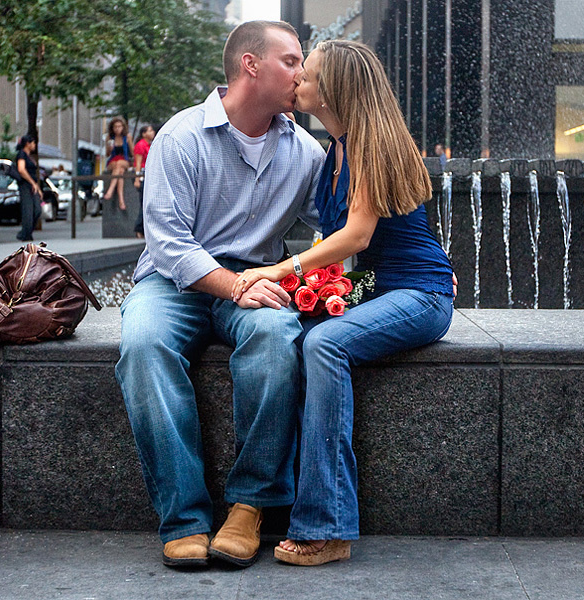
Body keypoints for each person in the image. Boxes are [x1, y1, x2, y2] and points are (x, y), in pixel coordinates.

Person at [233, 40, 455, 566]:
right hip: (376, 289)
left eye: (304, 74)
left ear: (331, 89)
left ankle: (328, 526)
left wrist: (278, 270)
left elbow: (355, 237)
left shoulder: (376, 143)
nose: (296, 81)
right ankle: (267, 501)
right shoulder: (335, 148)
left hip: (421, 294)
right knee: (296, 338)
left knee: (326, 344)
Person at [114, 20, 325, 569]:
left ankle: (250, 506)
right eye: (292, 61)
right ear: (250, 65)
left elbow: (346, 223)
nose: (301, 75)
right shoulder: (180, 136)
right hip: (173, 281)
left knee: (278, 339)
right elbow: (168, 243)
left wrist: (416, 265)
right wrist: (232, 285)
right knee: (142, 346)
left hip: (257, 280)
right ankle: (183, 517)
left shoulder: (305, 151)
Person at [14, 135, 42, 242]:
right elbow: (21, 170)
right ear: (27, 144)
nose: (34, 145)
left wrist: (37, 188)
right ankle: (25, 235)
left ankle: (26, 233)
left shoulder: (30, 156)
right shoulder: (21, 154)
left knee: (37, 210)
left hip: (32, 185)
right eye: (33, 143)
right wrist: (32, 183)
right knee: (28, 211)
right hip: (25, 185)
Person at [132, 125, 156, 238]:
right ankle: (139, 229)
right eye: (150, 131)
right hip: (142, 175)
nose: (152, 132)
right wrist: (137, 178)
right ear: (143, 133)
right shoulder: (141, 145)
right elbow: (138, 162)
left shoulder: (150, 145)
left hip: (147, 174)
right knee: (144, 202)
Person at [103, 117, 133, 210]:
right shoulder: (109, 138)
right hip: (113, 160)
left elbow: (132, 152)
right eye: (115, 127)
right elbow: (107, 154)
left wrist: (129, 143)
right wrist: (109, 148)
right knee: (120, 171)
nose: (117, 129)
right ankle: (121, 200)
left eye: (119, 126)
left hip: (124, 160)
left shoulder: (127, 137)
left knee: (119, 164)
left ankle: (110, 190)